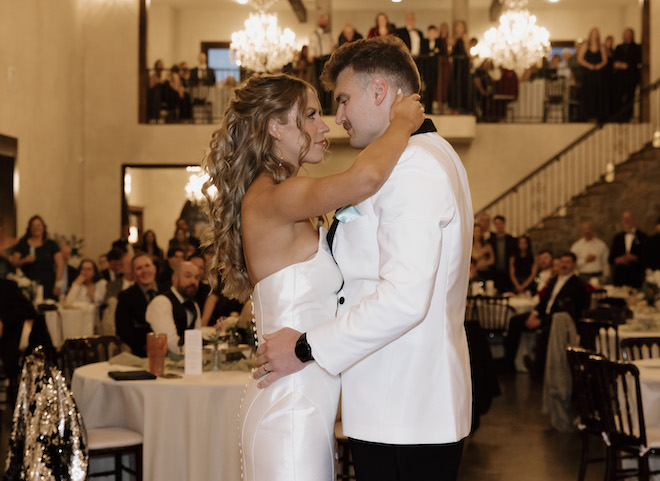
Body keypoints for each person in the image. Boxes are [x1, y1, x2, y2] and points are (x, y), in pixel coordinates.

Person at [251, 36, 471, 481]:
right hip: (393, 403)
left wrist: (306, 346)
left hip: (405, 407)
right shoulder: (422, 158)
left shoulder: (413, 168)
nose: (339, 117)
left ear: (380, 93)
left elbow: (406, 299)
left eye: (344, 100)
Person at [202, 63, 424, 480]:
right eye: (310, 114)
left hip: (303, 405)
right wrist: (403, 122)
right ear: (274, 127)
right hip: (290, 408)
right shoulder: (276, 197)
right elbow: (367, 177)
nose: (326, 126)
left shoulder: (282, 198)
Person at [505, 252, 588, 377]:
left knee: (547, 331)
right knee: (515, 321)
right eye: (562, 262)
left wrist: (541, 322)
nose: (564, 265)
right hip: (544, 314)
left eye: (568, 262)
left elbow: (567, 311)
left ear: (574, 265)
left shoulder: (577, 284)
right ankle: (509, 363)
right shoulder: (554, 279)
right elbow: (543, 301)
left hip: (560, 320)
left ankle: (538, 369)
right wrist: (534, 313)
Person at [146, 261, 202, 355]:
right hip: (158, 363)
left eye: (196, 277)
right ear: (175, 278)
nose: (193, 281)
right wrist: (196, 353)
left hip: (187, 362)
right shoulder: (161, 302)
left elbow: (196, 338)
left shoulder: (194, 305)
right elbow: (171, 343)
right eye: (188, 276)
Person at [10, 215, 64, 300]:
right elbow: (14, 262)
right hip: (28, 283)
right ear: (30, 228)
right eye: (33, 225)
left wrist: (58, 284)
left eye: (39, 225)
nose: (36, 228)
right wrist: (24, 260)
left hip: (48, 283)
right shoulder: (23, 243)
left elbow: (60, 264)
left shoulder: (51, 244)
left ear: (43, 227)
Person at [115, 254, 158, 357]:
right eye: (139, 268)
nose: (144, 271)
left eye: (147, 266)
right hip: (141, 352)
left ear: (154, 269)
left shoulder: (166, 292)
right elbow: (122, 330)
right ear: (133, 274)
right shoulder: (125, 296)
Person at [609, 210, 647, 288]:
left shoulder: (643, 237)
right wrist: (619, 260)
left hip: (636, 278)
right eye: (624, 218)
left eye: (629, 218)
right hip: (620, 278)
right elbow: (610, 259)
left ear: (634, 220)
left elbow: (648, 257)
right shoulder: (617, 238)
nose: (626, 220)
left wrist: (634, 258)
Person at [577, 28, 608, 122]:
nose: (595, 35)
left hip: (598, 74)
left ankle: (598, 115)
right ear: (590, 35)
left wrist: (599, 65)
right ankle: (587, 114)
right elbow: (580, 59)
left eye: (596, 34)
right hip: (588, 74)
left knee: (598, 93)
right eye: (593, 34)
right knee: (588, 93)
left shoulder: (601, 47)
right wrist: (589, 66)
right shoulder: (585, 46)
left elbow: (605, 60)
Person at [612, 28, 641, 122]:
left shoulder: (637, 47)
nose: (627, 35)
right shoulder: (619, 47)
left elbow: (638, 60)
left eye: (629, 34)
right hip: (619, 77)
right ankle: (618, 116)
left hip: (631, 76)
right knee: (618, 96)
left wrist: (627, 65)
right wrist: (619, 65)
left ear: (632, 35)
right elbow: (614, 60)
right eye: (626, 34)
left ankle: (628, 116)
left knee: (630, 97)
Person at [488, 215, 517, 293]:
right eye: (496, 224)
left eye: (500, 223)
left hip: (508, 273)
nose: (498, 226)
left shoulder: (511, 240)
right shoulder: (491, 240)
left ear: (504, 224)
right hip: (495, 273)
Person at [448, 19, 472, 114]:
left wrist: (470, 59)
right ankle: (454, 106)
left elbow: (467, 51)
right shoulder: (453, 38)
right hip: (456, 63)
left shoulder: (465, 37)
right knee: (455, 84)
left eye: (461, 26)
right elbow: (450, 52)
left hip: (463, 63)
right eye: (457, 26)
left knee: (461, 83)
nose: (459, 28)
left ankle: (462, 107)